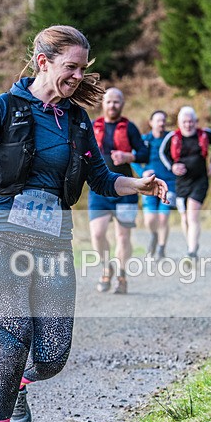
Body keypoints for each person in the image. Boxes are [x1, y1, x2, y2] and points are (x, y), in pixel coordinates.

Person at [0, 25, 168, 422]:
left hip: (53, 243)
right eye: (71, 67)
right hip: (2, 235)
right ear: (43, 62)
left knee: (52, 356)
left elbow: (102, 179)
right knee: (13, 343)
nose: (78, 76)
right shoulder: (6, 107)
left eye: (82, 68)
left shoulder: (78, 120)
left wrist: (138, 184)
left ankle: (21, 386)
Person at [87, 88, 149, 294]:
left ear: (122, 104)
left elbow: (143, 153)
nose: (112, 105)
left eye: (117, 102)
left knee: (123, 237)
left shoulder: (129, 127)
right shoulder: (92, 126)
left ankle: (121, 275)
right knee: (97, 234)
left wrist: (127, 156)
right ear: (102, 104)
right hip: (99, 190)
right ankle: (107, 267)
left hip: (126, 190)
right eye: (109, 102)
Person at [159, 106, 211, 262]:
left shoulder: (205, 134)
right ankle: (191, 245)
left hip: (200, 180)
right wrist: (172, 166)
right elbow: (163, 154)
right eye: (185, 122)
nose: (188, 125)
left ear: (196, 121)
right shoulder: (173, 137)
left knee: (192, 214)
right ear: (179, 123)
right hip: (181, 182)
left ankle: (192, 252)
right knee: (184, 218)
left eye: (191, 121)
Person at [137, 110, 174, 259]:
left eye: (163, 120)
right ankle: (153, 235)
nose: (161, 123)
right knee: (150, 219)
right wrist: (142, 172)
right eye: (158, 120)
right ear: (151, 123)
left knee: (163, 218)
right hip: (149, 185)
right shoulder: (145, 140)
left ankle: (161, 248)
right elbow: (134, 158)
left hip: (169, 184)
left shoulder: (171, 139)